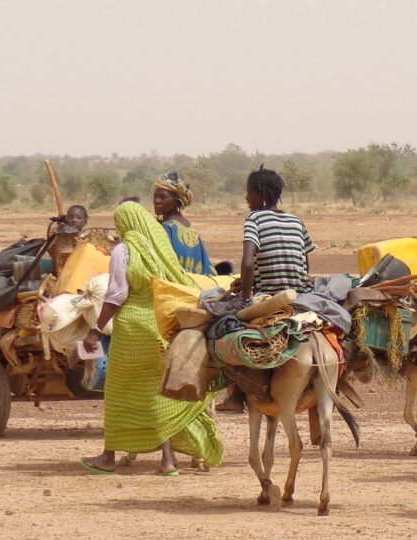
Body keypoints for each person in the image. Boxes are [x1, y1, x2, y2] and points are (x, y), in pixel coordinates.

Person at [79, 200, 222, 476]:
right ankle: (167, 461)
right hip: (158, 325)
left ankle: (108, 456)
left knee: (118, 392)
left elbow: (117, 295)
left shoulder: (123, 250)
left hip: (131, 330)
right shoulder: (157, 247)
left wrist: (96, 329)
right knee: (158, 392)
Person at [239, 167, 315, 299]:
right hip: (300, 294)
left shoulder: (254, 218)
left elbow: (247, 263)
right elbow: (304, 268)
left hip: (268, 294)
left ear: (260, 194)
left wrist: (245, 299)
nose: (246, 198)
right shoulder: (297, 221)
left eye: (249, 192)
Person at [153, 171, 213, 275]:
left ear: (177, 201)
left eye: (163, 197)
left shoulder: (166, 228)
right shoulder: (188, 225)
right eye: (155, 196)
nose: (157, 201)